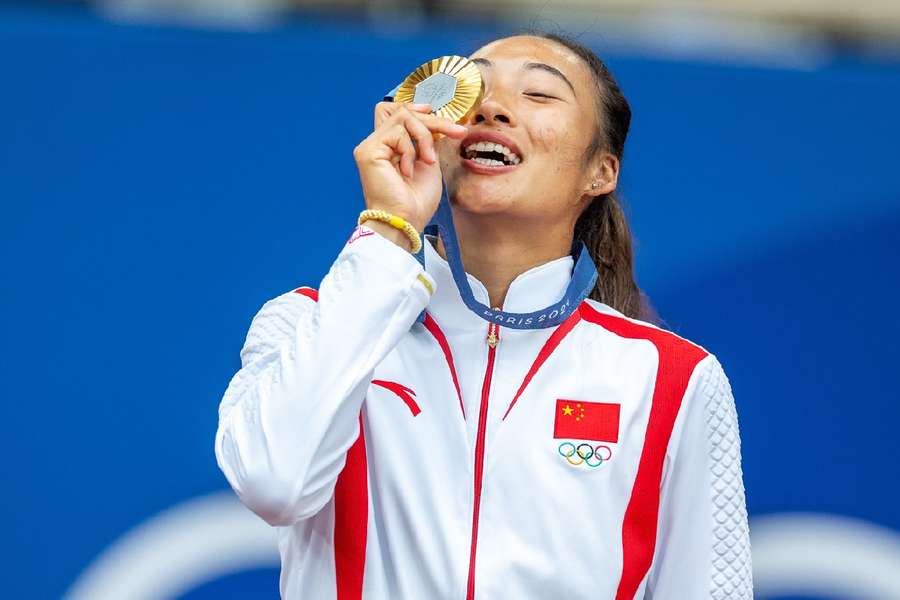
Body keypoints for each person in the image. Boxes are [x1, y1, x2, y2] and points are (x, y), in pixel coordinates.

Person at [214, 32, 753, 600]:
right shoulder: (309, 322)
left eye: (540, 94)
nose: (492, 107)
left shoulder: (673, 378)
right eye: (473, 89)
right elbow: (273, 484)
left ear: (600, 172)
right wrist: (386, 231)